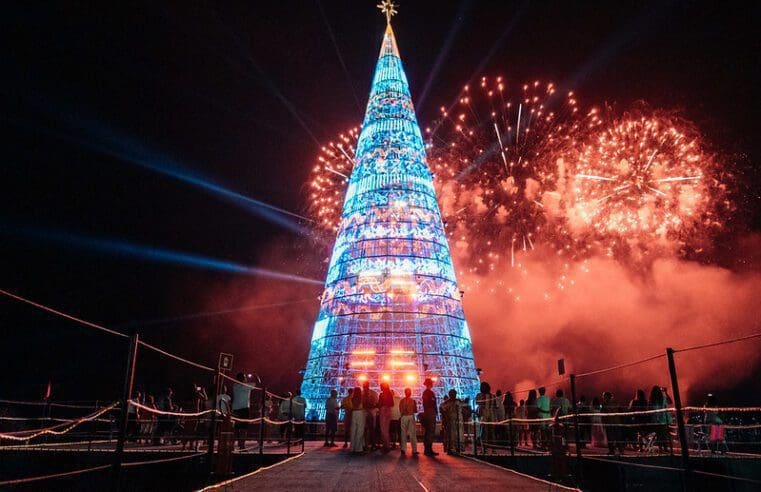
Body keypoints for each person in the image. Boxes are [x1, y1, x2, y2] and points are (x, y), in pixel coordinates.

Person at [649, 385, 673, 454]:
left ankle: (663, 448)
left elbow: (670, 402)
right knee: (661, 434)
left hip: (662, 419)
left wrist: (666, 393)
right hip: (659, 420)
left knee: (662, 434)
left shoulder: (662, 398)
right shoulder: (652, 400)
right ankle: (662, 448)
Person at [441, 389, 466, 454]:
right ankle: (452, 448)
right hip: (451, 421)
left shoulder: (449, 402)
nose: (453, 395)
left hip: (456, 420)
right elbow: (442, 410)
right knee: (451, 435)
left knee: (457, 434)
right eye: (452, 394)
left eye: (454, 394)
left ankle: (457, 448)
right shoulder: (448, 402)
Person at [232, 373, 252, 451]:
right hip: (244, 409)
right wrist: (256, 377)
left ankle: (232, 446)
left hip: (235, 408)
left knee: (236, 428)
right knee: (244, 428)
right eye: (245, 377)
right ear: (243, 378)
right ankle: (242, 446)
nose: (246, 378)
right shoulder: (246, 386)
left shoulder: (235, 385)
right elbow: (259, 384)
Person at [421, 378, 439, 456]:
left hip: (431, 412)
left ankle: (428, 449)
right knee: (430, 431)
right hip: (429, 412)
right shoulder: (427, 393)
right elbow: (427, 403)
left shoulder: (430, 393)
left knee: (429, 431)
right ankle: (428, 450)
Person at [399, 387, 418, 455]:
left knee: (403, 433)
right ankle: (414, 450)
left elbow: (400, 410)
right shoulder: (413, 401)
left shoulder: (402, 401)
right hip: (410, 416)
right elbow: (415, 410)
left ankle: (403, 449)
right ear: (410, 393)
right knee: (412, 433)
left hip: (404, 417)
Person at [361, 381, 378, 451]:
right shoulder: (373, 393)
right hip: (368, 412)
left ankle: (368, 444)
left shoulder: (363, 393)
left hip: (367, 412)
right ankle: (368, 444)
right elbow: (376, 403)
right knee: (369, 430)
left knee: (369, 430)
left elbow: (376, 402)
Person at [378, 382, 394, 452]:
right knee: (386, 429)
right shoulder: (390, 394)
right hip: (388, 411)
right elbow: (392, 404)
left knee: (383, 429)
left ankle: (386, 446)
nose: (380, 388)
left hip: (383, 411)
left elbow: (380, 404)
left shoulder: (382, 395)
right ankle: (386, 445)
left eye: (381, 386)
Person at [350, 387, 365, 454]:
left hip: (354, 413)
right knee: (360, 431)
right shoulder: (361, 397)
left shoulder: (353, 398)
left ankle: (352, 447)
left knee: (353, 430)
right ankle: (358, 449)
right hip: (360, 412)